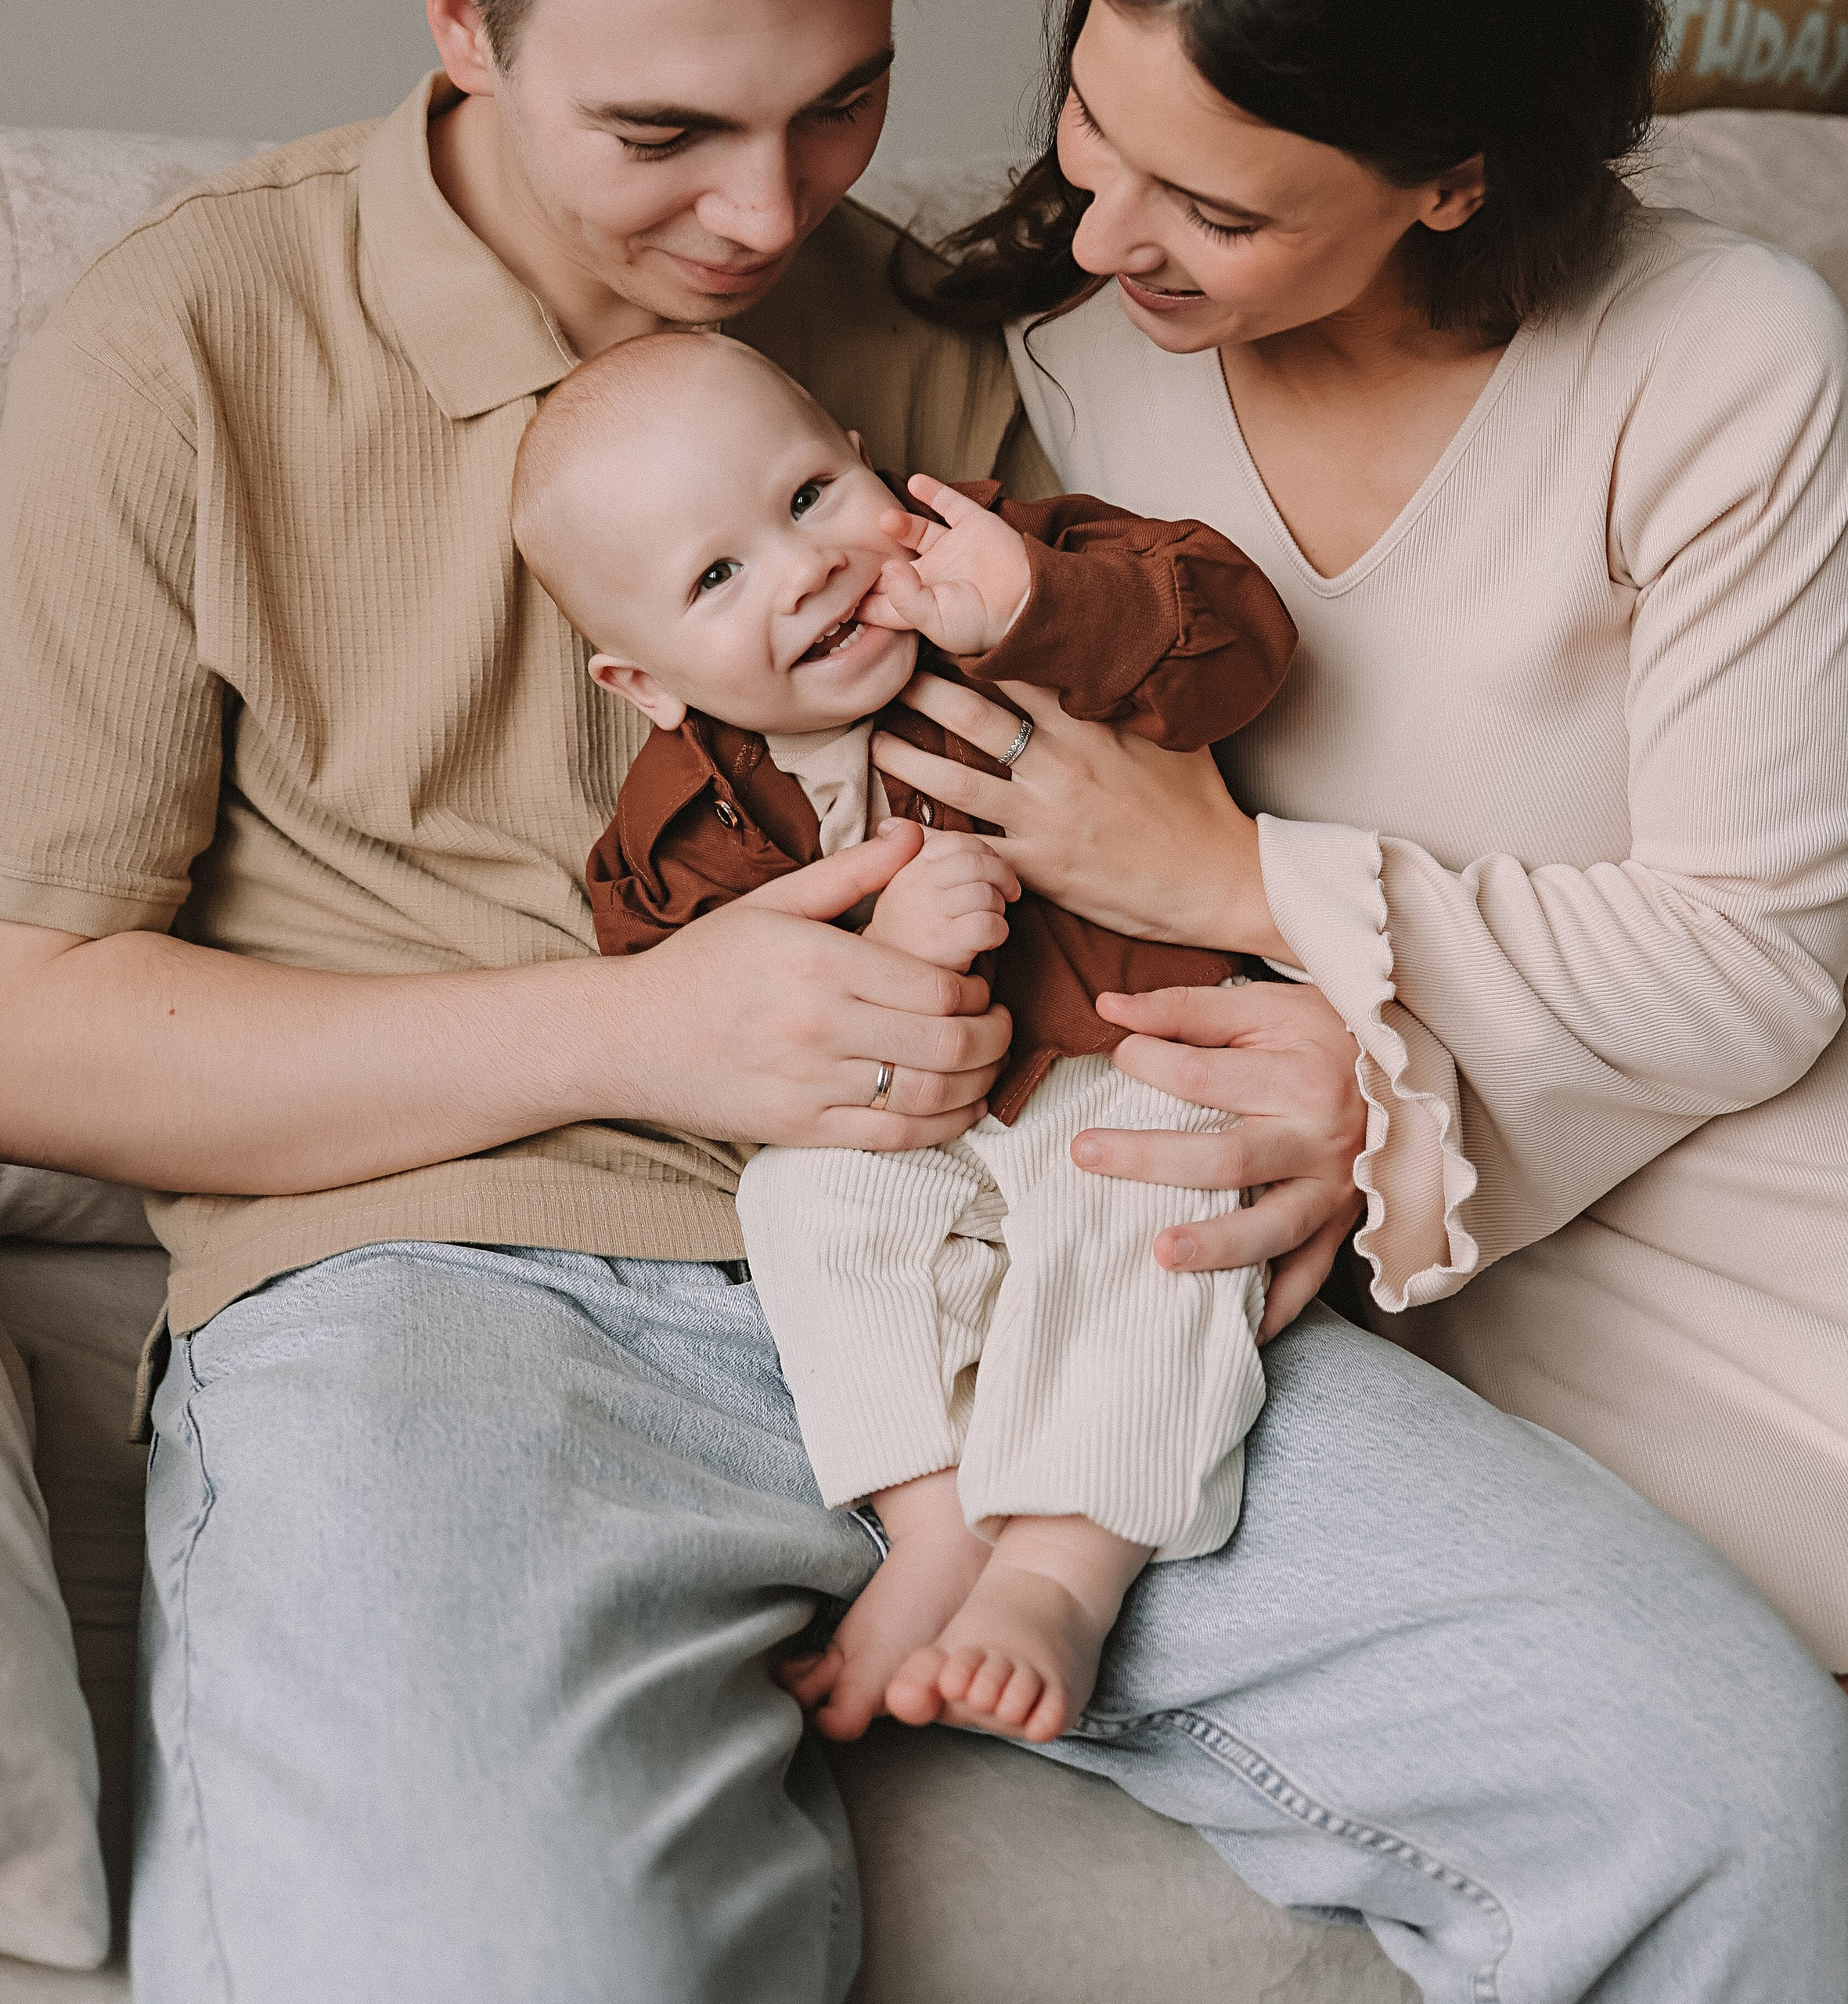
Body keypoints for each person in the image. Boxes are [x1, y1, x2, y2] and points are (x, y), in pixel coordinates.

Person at [0, 0, 1848, 2003]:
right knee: (479, 1953)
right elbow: (10, 1038)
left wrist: (1305, 1093)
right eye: (665, 128)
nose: (764, 221)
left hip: (1026, 1229)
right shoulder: (179, 350)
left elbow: (1186, 802)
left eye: (837, 101)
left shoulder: (961, 349)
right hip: (441, 1286)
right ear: (458, 8)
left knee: (1731, 1789)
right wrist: (638, 1038)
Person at [897, 0, 1848, 1945]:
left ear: (1453, 179)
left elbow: (1753, 966)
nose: (1103, 228)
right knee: (1735, 1759)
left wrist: (1235, 879)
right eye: (1090, 122)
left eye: (1217, 206)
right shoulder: (1054, 351)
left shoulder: (1722, 355)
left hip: (1786, 1141)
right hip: (1415, 1182)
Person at [511, 330, 1292, 1746]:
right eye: (716, 577)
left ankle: (1062, 1568)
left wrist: (1039, 613)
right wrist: (873, 959)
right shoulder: (692, 808)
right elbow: (688, 993)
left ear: (871, 466)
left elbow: (1239, 641)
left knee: (1151, 1219)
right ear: (644, 681)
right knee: (799, 1203)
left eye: (809, 498)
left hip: (1132, 1048)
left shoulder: (1027, 568)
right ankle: (927, 1520)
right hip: (910, 1115)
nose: (802, 568)